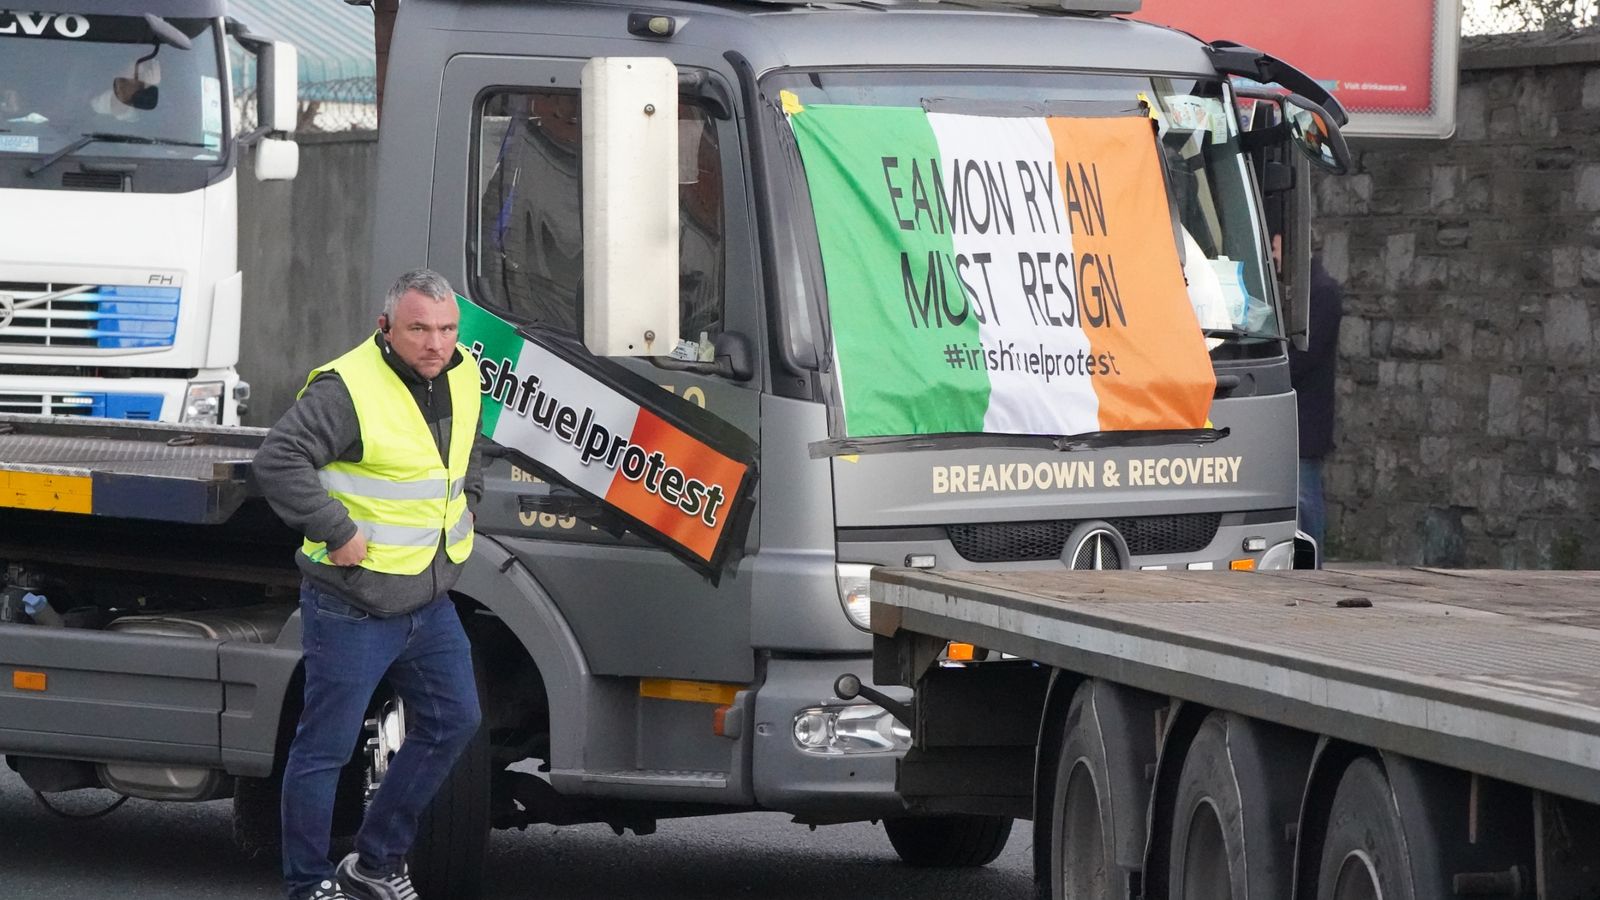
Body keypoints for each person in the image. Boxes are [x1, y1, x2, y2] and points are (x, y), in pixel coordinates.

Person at [254, 268, 485, 900]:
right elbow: (278, 459)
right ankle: (306, 886)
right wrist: (334, 528)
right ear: (386, 327)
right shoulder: (348, 387)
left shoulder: (463, 372)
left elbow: (464, 450)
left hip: (428, 598)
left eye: (445, 329)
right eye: (418, 329)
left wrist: (470, 503)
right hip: (353, 602)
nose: (435, 343)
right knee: (324, 751)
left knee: (453, 721)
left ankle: (375, 862)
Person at [1289, 256, 1343, 558]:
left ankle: (1314, 563)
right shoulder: (1309, 291)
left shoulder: (1322, 292)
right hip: (1302, 418)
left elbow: (1306, 357)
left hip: (1307, 419)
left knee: (1306, 501)